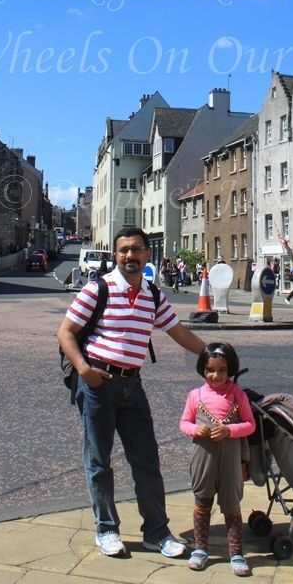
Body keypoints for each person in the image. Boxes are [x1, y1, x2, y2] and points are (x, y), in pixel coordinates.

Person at [57, 226, 206, 559]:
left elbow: (178, 331)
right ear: (115, 255)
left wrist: (212, 355)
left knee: (147, 461)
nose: (130, 256)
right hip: (98, 383)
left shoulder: (153, 294)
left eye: (136, 250)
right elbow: (65, 333)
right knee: (99, 461)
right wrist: (85, 371)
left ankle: (156, 532)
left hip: (133, 385)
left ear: (146, 254)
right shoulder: (99, 289)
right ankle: (107, 529)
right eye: (123, 250)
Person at [179, 342, 255, 576]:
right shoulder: (195, 395)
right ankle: (200, 549)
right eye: (211, 369)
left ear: (230, 369)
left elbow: (250, 425)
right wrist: (195, 430)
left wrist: (229, 430)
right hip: (203, 456)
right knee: (202, 500)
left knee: (231, 504)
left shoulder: (237, 395)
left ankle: (236, 553)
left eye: (222, 370)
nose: (216, 375)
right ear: (203, 369)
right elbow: (184, 423)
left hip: (230, 457)